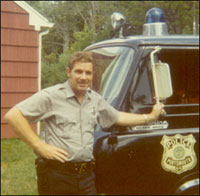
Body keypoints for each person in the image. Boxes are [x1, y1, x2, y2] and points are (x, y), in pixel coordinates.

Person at [4, 51, 165, 195]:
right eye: (78, 71)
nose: (83, 77)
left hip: (86, 176)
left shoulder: (94, 99)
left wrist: (149, 117)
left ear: (92, 75)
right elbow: (13, 115)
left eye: (88, 73)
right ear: (68, 72)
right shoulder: (51, 96)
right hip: (57, 175)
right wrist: (40, 146)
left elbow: (117, 117)